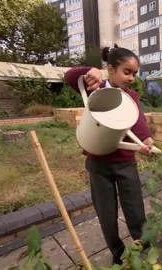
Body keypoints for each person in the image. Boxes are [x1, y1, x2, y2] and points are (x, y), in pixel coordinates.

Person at [64, 46, 152, 265]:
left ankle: (144, 248)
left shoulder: (132, 97)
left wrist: (147, 141)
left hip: (125, 162)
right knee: (106, 213)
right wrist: (92, 71)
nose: (131, 78)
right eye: (126, 71)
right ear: (110, 70)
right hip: (98, 162)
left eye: (134, 73)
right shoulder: (96, 89)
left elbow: (139, 124)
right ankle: (118, 253)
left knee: (135, 209)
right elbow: (69, 76)